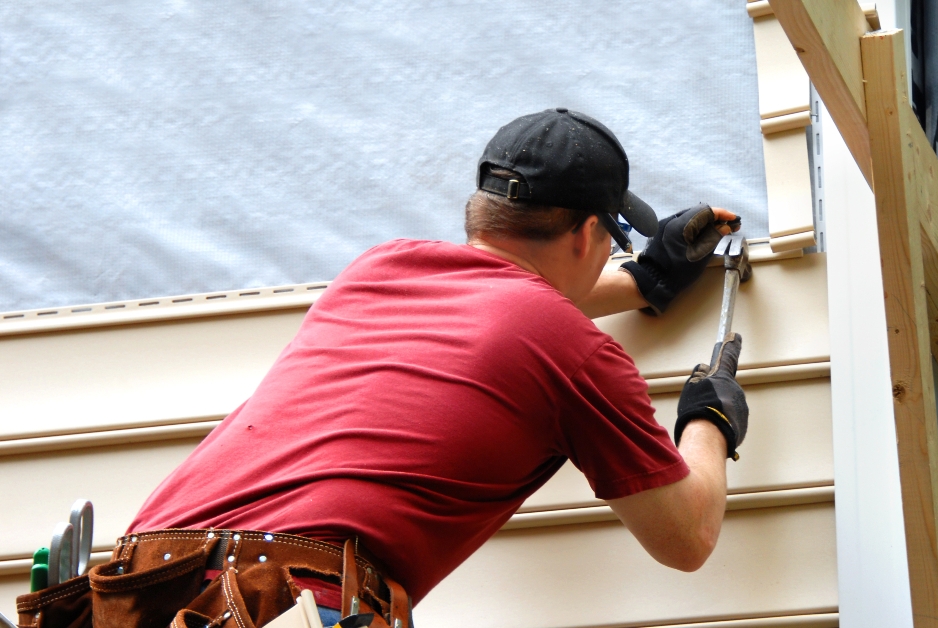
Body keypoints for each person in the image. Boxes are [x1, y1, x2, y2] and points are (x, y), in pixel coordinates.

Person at [16, 108, 749, 628]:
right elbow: (685, 538)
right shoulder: (575, 351)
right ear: (590, 234)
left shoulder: (378, 271)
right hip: (283, 601)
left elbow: (497, 314)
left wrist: (644, 281)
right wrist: (708, 420)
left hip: (138, 585)